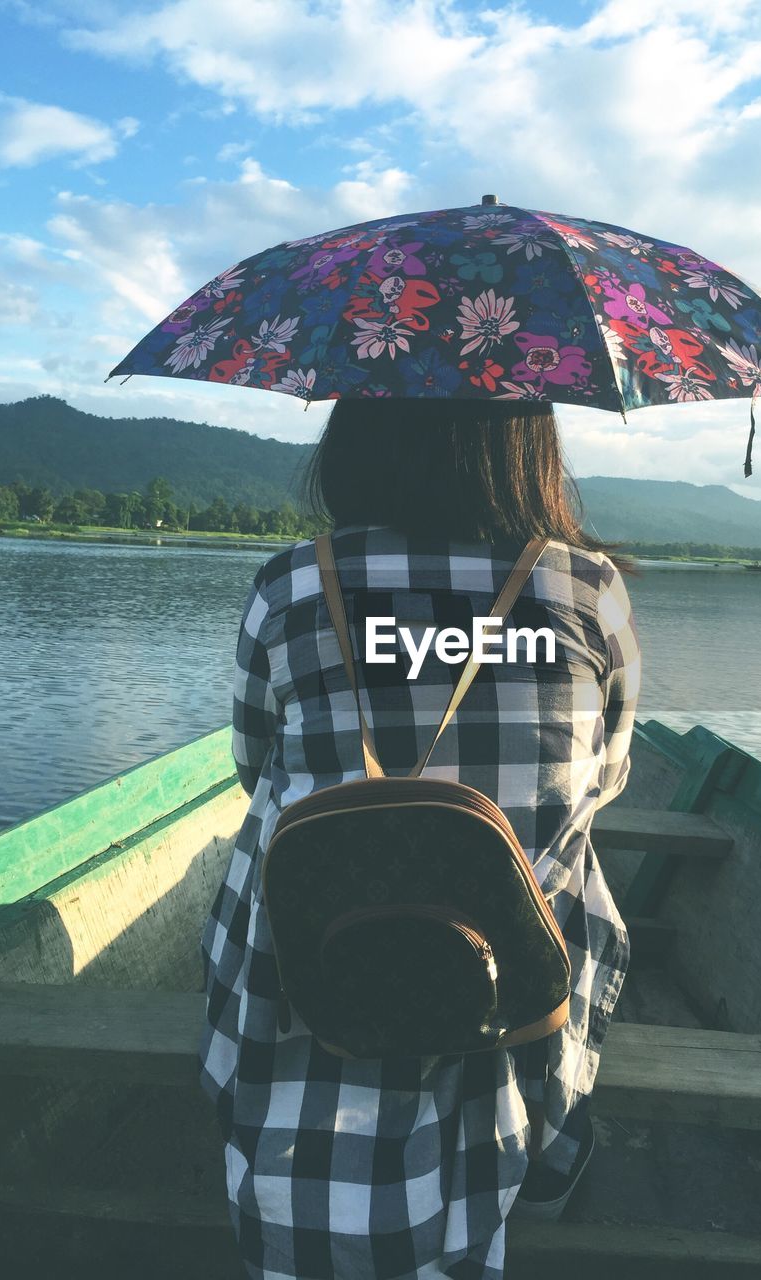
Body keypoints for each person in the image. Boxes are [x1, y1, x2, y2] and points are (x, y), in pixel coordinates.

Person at [198, 397, 641, 1280]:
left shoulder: (290, 587)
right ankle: (544, 1145)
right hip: (508, 995)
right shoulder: (586, 592)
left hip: (310, 980)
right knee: (567, 865)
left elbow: (255, 768)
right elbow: (605, 782)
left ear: (358, 431)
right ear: (528, 442)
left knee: (274, 848)